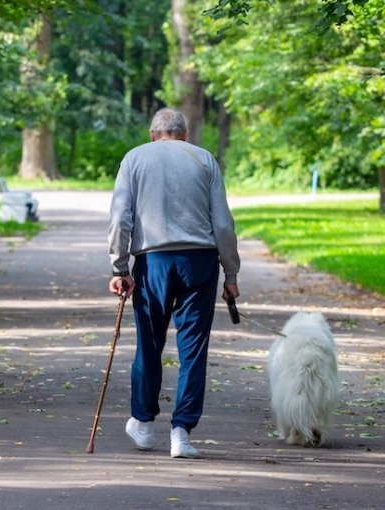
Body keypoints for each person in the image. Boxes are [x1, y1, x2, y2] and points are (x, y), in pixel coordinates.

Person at [107, 107, 241, 459]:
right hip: (200, 262)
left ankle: (143, 423)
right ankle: (181, 433)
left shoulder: (134, 158)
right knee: (193, 351)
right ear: (185, 133)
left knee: (149, 345)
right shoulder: (204, 160)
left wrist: (120, 268)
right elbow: (223, 224)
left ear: (153, 134)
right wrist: (231, 274)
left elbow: (120, 218)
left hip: (154, 263)